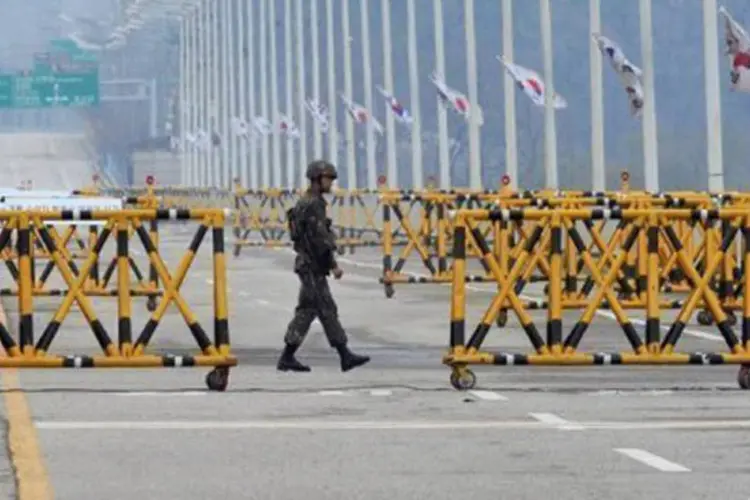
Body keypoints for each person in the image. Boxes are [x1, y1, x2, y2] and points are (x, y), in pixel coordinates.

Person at [277, 160, 371, 373]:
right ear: (317, 179)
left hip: (308, 265)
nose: (331, 183)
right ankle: (344, 355)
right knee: (325, 309)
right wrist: (333, 264)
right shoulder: (314, 204)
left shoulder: (305, 202)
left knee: (309, 311)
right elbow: (320, 239)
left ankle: (289, 357)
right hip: (312, 266)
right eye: (328, 178)